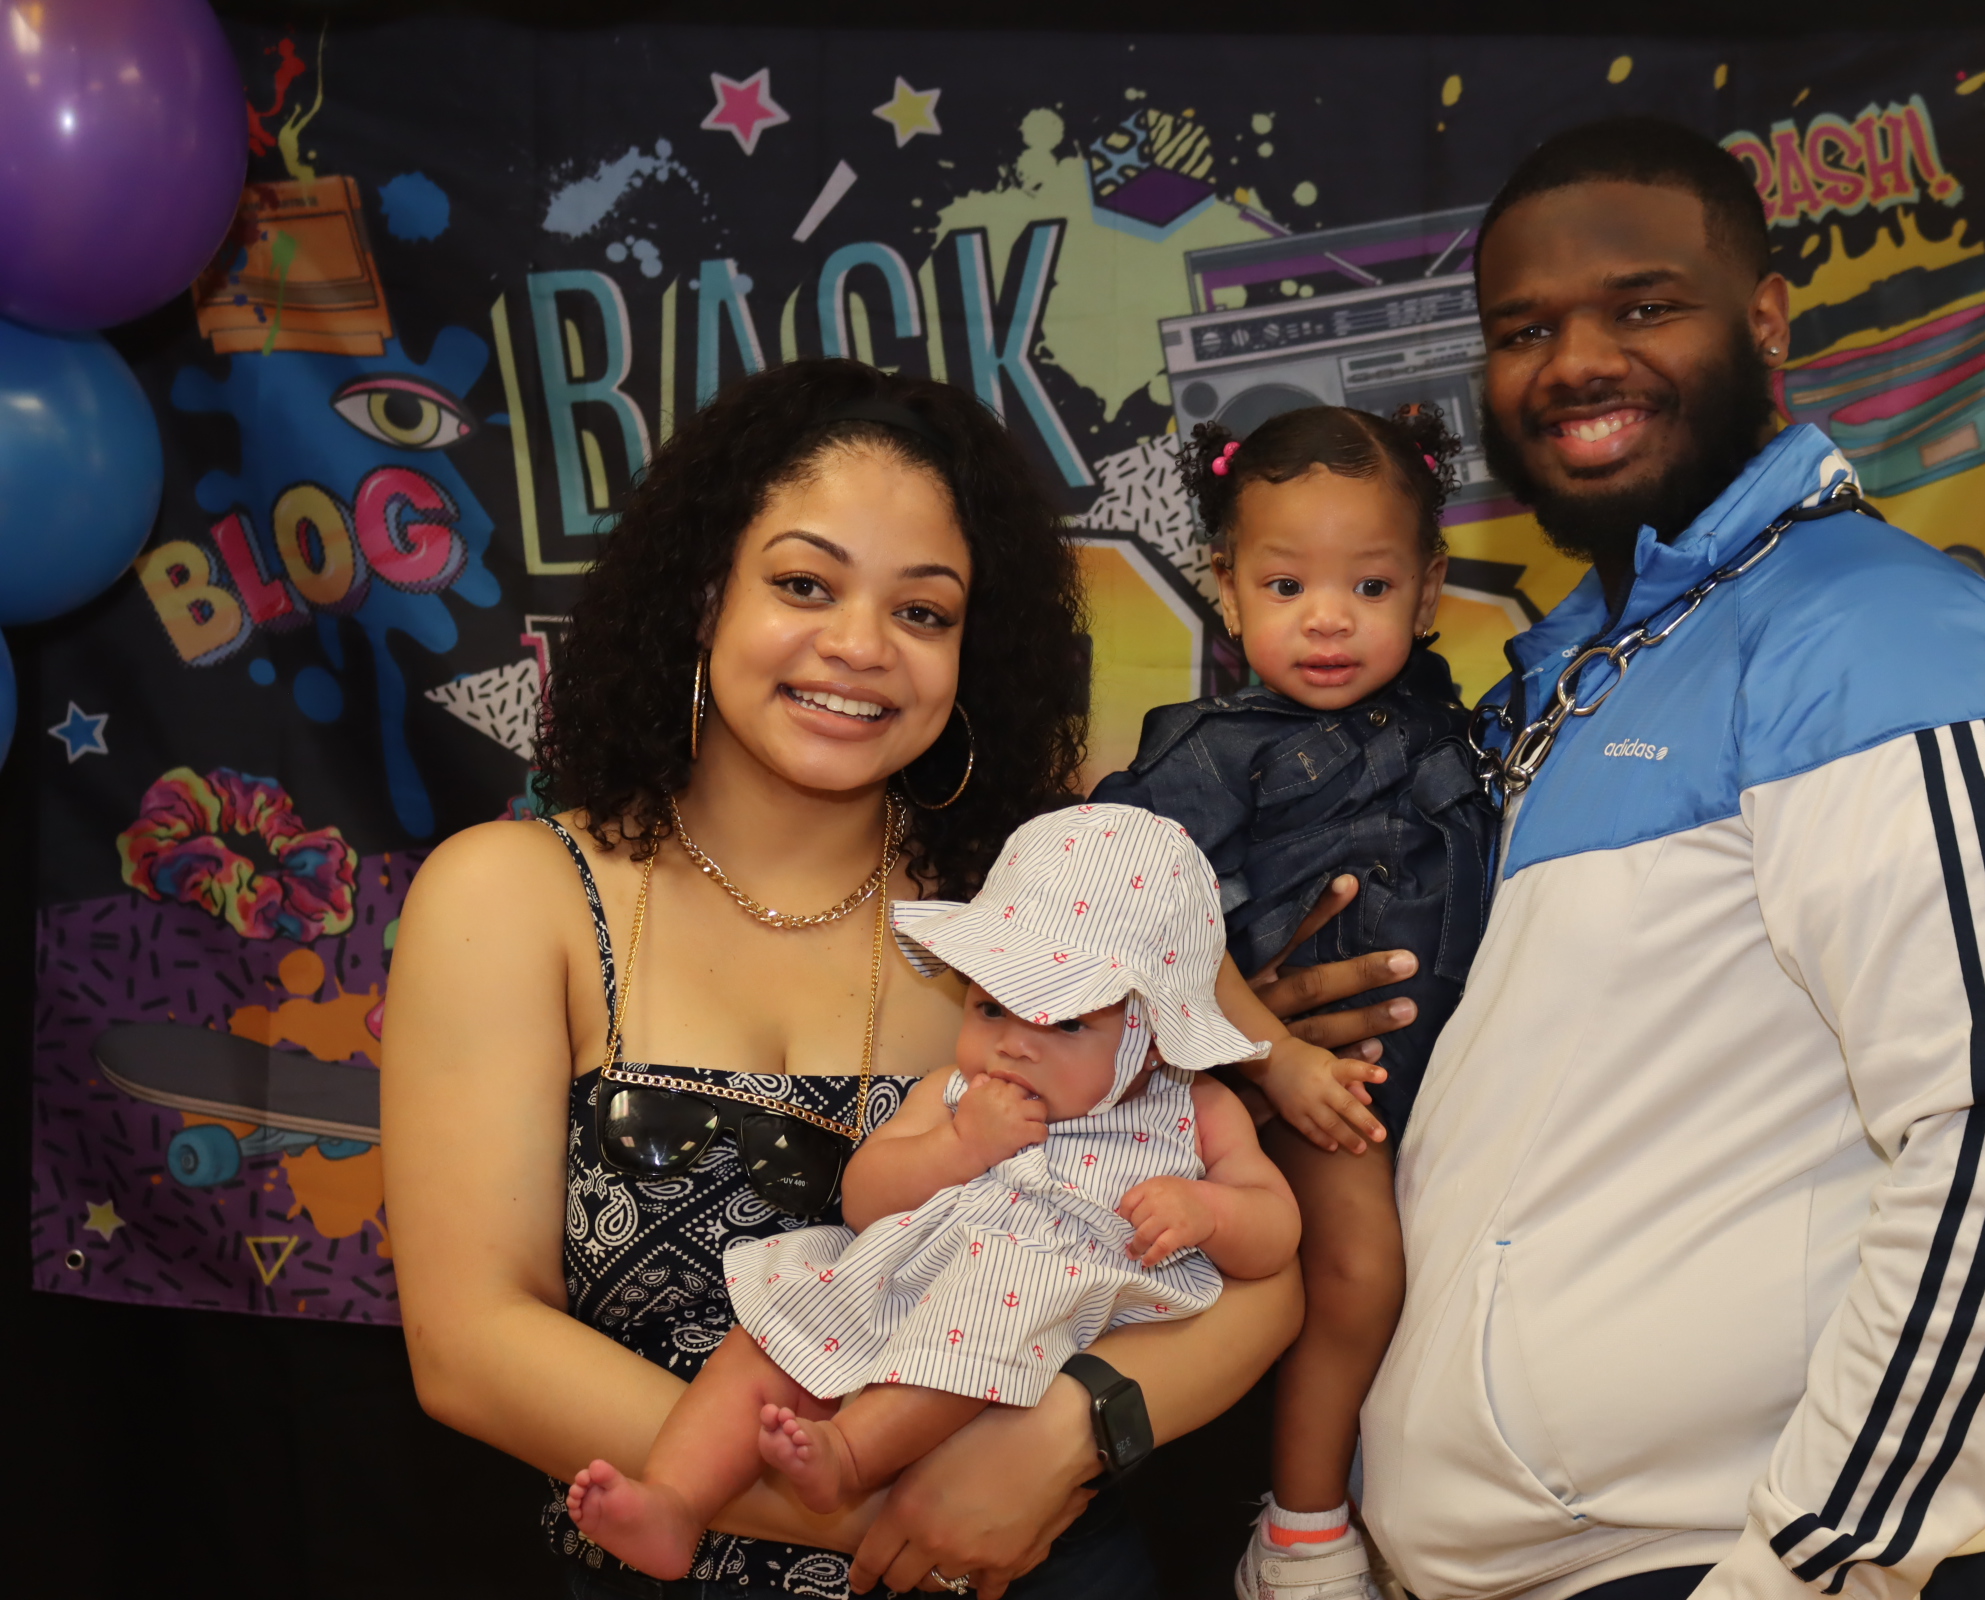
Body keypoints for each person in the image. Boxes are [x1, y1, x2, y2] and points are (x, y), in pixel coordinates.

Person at [382, 358, 1404, 1600]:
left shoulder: (1041, 904)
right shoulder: (514, 892)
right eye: (804, 584)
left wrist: (1058, 1442)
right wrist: (887, 1505)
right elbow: (471, 1345)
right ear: (706, 594)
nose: (860, 647)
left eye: (923, 612)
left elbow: (1258, 1273)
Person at [1357, 119, 1985, 1600]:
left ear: (1768, 320)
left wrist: (1810, 1572)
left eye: (1643, 306)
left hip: (1749, 1561)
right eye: (1524, 328)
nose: (1576, 361)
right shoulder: (1572, 676)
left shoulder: (1885, 639)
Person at [562, 804, 1303, 1577]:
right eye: (990, 1006)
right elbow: (866, 1199)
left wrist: (1209, 1212)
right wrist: (957, 1146)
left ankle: (848, 1457)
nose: (1013, 1040)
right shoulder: (955, 1091)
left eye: (1066, 1023)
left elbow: (1276, 1232)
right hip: (895, 1282)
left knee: (991, 1307)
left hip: (1022, 1327)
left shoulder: (1196, 1113)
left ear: (1149, 1042)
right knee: (767, 1337)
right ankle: (675, 1501)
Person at [1088, 403, 1496, 1599]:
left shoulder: (1461, 730)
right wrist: (1272, 1058)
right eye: (1286, 585)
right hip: (1322, 1090)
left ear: (1427, 593)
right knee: (1360, 1270)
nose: (1327, 617)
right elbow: (1138, 897)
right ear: (1227, 589)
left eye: (1369, 586)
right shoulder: (1215, 750)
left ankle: (1382, 1499)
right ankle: (1302, 1531)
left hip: (1456, 1085)